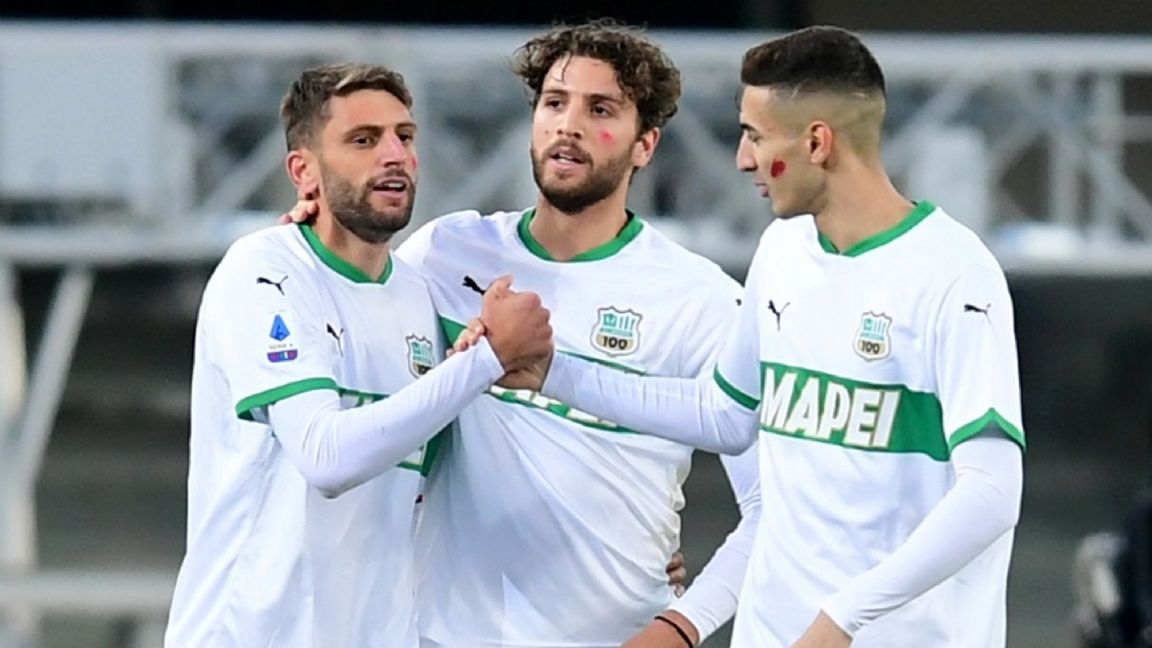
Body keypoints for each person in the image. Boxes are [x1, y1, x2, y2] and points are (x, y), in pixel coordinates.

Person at [507, 26, 1025, 647]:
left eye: (754, 135)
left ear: (817, 142)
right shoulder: (782, 249)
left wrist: (845, 617)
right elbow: (725, 414)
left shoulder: (955, 274)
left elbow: (992, 493)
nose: (742, 159)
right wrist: (554, 373)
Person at [286, 19, 760, 648]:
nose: (568, 125)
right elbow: (349, 359)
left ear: (645, 145)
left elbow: (771, 509)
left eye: (600, 109)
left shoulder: (701, 299)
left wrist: (681, 627)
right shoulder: (445, 253)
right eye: (554, 103)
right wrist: (310, 234)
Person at [164, 63, 551, 648]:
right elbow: (326, 458)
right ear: (304, 172)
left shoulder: (421, 297)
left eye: (405, 136)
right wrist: (484, 360)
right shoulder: (265, 272)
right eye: (364, 140)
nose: (395, 155)